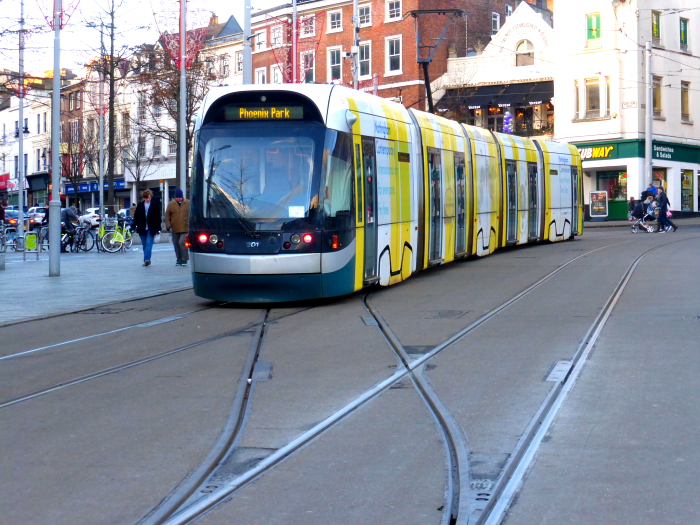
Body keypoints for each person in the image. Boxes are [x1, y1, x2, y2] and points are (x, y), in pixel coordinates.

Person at [133, 189, 161, 266]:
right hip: (142, 227)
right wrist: (134, 225)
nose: (148, 199)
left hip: (151, 227)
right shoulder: (140, 205)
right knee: (145, 245)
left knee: (149, 244)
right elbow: (136, 216)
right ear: (144, 198)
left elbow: (158, 218)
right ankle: (147, 258)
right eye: (146, 198)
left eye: (149, 198)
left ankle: (146, 259)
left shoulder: (155, 205)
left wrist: (158, 228)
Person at [165, 188, 190, 266]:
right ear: (175, 197)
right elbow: (167, 216)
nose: (179, 199)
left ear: (182, 197)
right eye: (177, 197)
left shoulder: (188, 203)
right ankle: (179, 259)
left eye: (180, 197)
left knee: (182, 242)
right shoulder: (171, 204)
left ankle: (184, 259)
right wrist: (168, 225)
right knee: (176, 244)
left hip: (185, 228)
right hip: (175, 228)